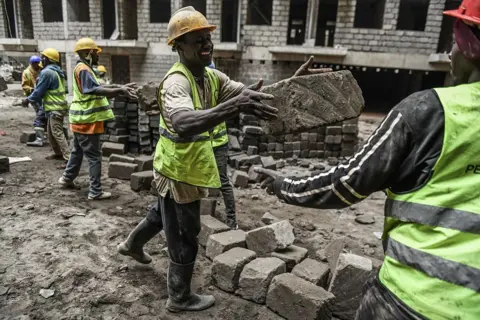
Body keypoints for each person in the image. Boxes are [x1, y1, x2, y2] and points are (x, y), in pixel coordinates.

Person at [256, 2, 480, 319]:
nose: (449, 53)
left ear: (470, 45)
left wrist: (284, 185)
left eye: (454, 41)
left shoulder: (427, 111)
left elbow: (348, 183)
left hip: (413, 298)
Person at [117, 6, 326, 313]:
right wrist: (232, 108)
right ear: (178, 46)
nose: (207, 45)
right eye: (197, 40)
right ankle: (179, 297)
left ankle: (131, 245)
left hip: (182, 168)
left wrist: (293, 85)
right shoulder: (177, 82)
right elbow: (183, 122)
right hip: (179, 171)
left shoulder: (212, 77)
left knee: (162, 214)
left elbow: (254, 97)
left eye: (207, 38)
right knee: (185, 234)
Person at [58, 38, 137, 200]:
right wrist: (119, 90)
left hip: (81, 119)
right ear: (87, 53)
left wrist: (119, 88)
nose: (98, 56)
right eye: (95, 52)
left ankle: (66, 178)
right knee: (94, 157)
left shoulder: (84, 68)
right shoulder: (84, 69)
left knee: (77, 151)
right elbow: (93, 90)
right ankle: (95, 191)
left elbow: (99, 87)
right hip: (87, 119)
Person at [22, 49, 70, 164]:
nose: (41, 60)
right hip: (57, 106)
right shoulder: (58, 72)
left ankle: (69, 158)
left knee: (57, 133)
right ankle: (58, 153)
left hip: (55, 108)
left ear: (48, 59)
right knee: (50, 131)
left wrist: (28, 100)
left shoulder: (47, 72)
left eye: (43, 57)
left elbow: (39, 91)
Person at [206, 61, 237, 229]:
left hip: (218, 144)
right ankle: (202, 215)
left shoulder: (220, 92)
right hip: (201, 145)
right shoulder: (195, 91)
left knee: (222, 181)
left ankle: (232, 220)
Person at [22, 55, 47, 147]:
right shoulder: (26, 72)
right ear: (32, 63)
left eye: (38, 63)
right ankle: (41, 134)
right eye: (35, 63)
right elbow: (24, 86)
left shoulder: (42, 70)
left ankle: (43, 131)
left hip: (42, 95)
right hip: (33, 96)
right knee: (40, 113)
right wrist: (32, 90)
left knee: (43, 113)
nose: (37, 65)